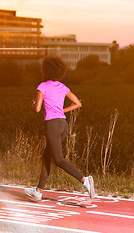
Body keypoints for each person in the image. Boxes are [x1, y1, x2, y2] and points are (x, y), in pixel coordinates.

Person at [25, 56, 95, 200]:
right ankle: (38, 191)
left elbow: (38, 109)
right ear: (59, 72)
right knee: (46, 157)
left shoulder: (42, 86)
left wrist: (33, 104)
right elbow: (77, 103)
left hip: (52, 125)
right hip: (63, 125)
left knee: (58, 160)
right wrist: (62, 110)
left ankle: (85, 180)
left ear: (46, 70)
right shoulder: (62, 87)